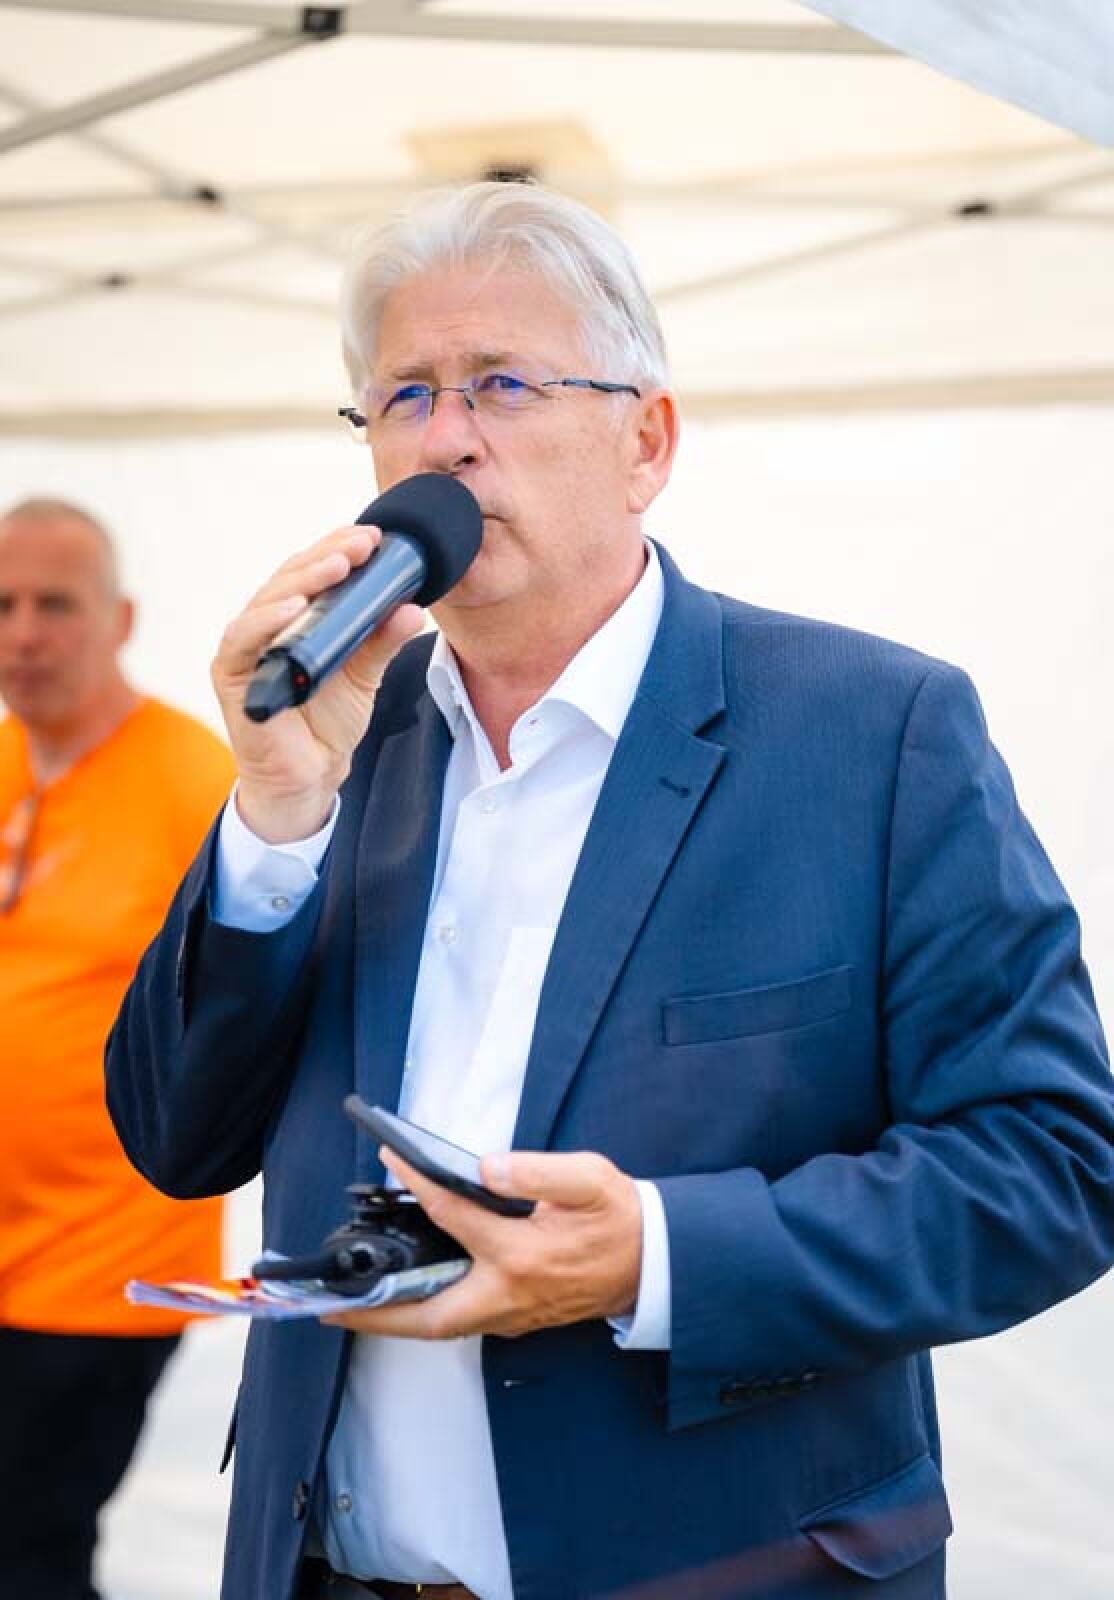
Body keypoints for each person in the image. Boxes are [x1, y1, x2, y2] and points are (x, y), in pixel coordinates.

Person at [106, 183, 1114, 1600]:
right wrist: (273, 818)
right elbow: (175, 1139)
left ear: (646, 442)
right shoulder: (337, 736)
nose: (446, 437)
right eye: (405, 394)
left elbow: (1048, 1167)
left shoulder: (870, 731)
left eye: (502, 385)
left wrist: (659, 1256)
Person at [0, 497, 235, 1600]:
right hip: (8, 1256)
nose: (25, 634)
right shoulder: (8, 761)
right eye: (4, 605)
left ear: (120, 619)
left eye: (55, 605)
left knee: (31, 1547)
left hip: (106, 1264)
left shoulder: (192, 783)